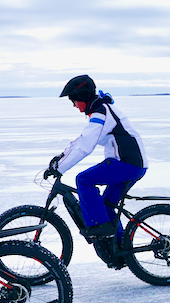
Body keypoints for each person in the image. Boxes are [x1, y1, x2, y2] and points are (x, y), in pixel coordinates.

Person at [47, 75, 147, 241]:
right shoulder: (100, 109)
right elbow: (82, 139)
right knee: (107, 204)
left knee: (84, 180)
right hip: (133, 164)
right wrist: (62, 157)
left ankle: (99, 226)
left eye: (74, 100)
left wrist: (60, 168)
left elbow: (85, 145)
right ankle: (121, 247)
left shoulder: (100, 113)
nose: (73, 105)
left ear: (82, 97)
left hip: (127, 163)